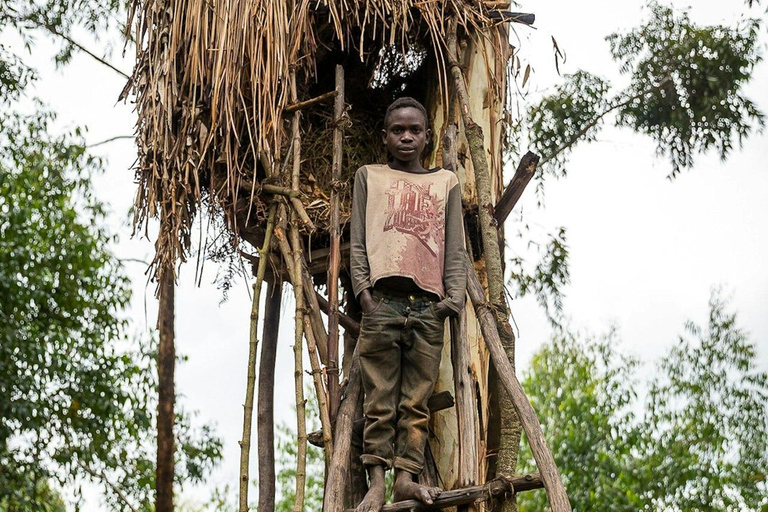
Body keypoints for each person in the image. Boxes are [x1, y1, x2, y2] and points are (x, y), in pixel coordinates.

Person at [350, 97, 466, 512]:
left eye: (414, 130)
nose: (406, 137)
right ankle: (377, 483)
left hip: (428, 307)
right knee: (379, 399)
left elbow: (455, 247)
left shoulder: (446, 182)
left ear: (427, 136)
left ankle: (405, 479)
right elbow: (358, 242)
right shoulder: (369, 176)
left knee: (415, 402)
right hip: (382, 302)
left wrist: (452, 300)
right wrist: (364, 294)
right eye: (397, 130)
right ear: (384, 137)